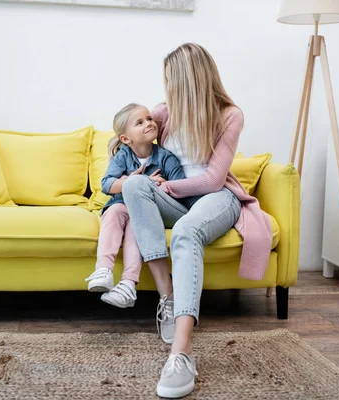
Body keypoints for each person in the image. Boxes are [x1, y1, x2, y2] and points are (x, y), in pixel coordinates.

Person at [121, 43, 273, 398]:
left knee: (187, 231)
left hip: (216, 199)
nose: (166, 88)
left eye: (170, 79)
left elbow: (212, 180)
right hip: (178, 199)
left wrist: (168, 185)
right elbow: (130, 140)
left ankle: (182, 352)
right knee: (135, 186)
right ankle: (167, 300)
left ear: (186, 80)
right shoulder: (163, 112)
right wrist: (131, 171)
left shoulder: (229, 115)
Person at [84, 103, 185, 308]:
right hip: (120, 204)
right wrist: (131, 181)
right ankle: (103, 269)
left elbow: (180, 190)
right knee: (113, 213)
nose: (148, 123)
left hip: (148, 212)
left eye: (149, 118)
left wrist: (161, 187)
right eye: (139, 122)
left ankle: (129, 284)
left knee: (135, 226)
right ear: (125, 139)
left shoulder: (166, 158)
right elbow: (107, 184)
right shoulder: (123, 156)